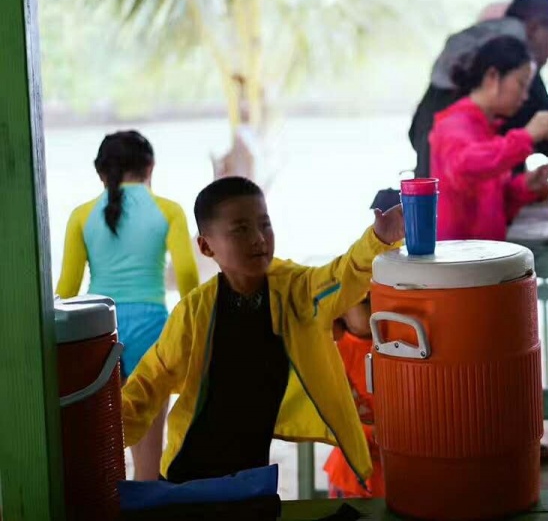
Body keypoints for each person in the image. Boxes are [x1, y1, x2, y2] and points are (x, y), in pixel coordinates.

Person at [120, 176, 406, 484]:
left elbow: (340, 276)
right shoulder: (193, 313)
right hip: (186, 476)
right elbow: (148, 383)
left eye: (264, 224)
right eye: (241, 229)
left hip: (252, 477)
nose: (258, 238)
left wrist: (378, 239)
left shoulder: (294, 291)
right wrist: (96, 438)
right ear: (205, 246)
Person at [56, 130, 199, 481]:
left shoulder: (80, 215)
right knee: (148, 463)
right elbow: (187, 278)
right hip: (152, 330)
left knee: (101, 451)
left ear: (100, 173)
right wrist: (195, 332)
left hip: (97, 331)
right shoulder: (169, 211)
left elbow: (67, 289)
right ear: (150, 167)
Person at [409, 0, 548, 178]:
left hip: (425, 188)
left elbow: (415, 132)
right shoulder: (514, 54)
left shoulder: (464, 53)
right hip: (456, 199)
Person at [430, 36, 548, 241]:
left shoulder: (486, 127)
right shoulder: (454, 124)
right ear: (492, 77)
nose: (525, 96)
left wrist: (525, 186)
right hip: (458, 263)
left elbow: (493, 203)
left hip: (483, 259)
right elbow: (465, 165)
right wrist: (526, 136)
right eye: (521, 84)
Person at [325, 295, 384, 498]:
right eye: (366, 300)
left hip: (401, 474)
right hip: (351, 478)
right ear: (341, 309)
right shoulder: (332, 354)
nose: (381, 302)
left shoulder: (407, 348)